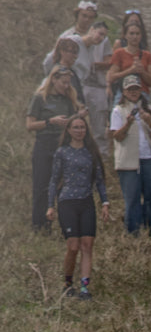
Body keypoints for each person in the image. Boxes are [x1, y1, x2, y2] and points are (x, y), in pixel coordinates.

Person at [47, 114, 109, 299]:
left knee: (87, 245)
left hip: (87, 201)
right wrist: (51, 205)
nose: (79, 131)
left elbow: (99, 180)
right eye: (76, 127)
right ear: (68, 131)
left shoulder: (91, 153)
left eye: (82, 127)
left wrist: (105, 202)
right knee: (73, 246)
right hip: (67, 202)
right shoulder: (62, 152)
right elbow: (53, 180)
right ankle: (67, 283)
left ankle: (84, 287)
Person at [27, 66, 84, 231]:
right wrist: (49, 122)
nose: (66, 86)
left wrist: (78, 117)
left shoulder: (67, 100)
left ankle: (67, 225)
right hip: (44, 145)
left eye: (68, 83)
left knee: (63, 187)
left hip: (62, 147)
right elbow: (30, 125)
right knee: (41, 186)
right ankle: (40, 225)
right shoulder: (40, 98)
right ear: (54, 79)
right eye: (63, 82)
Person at [48, 2, 111, 148]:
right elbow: (52, 60)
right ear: (77, 15)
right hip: (71, 84)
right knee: (71, 120)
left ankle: (98, 154)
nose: (86, 20)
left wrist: (95, 66)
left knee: (96, 123)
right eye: (84, 16)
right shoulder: (68, 37)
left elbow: (108, 60)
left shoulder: (99, 39)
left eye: (90, 17)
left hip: (93, 85)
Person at [109, 75, 151, 235]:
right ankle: (133, 233)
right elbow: (117, 136)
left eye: (136, 89)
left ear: (141, 90)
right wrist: (128, 124)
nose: (133, 92)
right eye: (130, 89)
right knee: (132, 199)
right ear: (124, 92)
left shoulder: (149, 109)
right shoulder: (118, 111)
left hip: (148, 159)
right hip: (128, 161)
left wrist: (149, 122)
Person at [106, 14, 151, 100]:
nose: (135, 37)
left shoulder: (147, 55)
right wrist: (130, 70)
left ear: (141, 36)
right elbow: (112, 76)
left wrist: (142, 71)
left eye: (137, 34)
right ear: (126, 35)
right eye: (131, 34)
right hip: (123, 94)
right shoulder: (119, 53)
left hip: (142, 94)